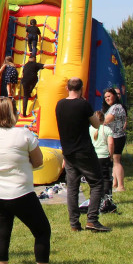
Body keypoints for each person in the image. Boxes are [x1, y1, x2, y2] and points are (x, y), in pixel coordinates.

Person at [0, 98, 67, 264]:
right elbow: (38, 162)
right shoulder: (24, 134)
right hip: (21, 192)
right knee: (42, 230)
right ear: (13, 114)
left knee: (1, 235)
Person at [55, 78, 110, 232]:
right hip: (84, 151)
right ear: (82, 88)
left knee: (72, 187)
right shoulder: (83, 104)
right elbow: (96, 124)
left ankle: (74, 224)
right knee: (97, 183)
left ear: (67, 88)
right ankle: (92, 220)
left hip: (68, 152)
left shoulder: (59, 104)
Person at [89, 111, 117, 213]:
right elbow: (111, 143)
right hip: (104, 156)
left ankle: (95, 199)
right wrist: (111, 154)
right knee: (106, 179)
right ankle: (107, 200)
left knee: (95, 179)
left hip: (94, 156)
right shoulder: (107, 129)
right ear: (103, 119)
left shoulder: (90, 129)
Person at [102, 88, 128, 191]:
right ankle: (115, 183)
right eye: (105, 97)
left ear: (114, 96)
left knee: (117, 161)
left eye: (109, 96)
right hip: (115, 136)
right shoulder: (113, 107)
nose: (107, 99)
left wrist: (96, 122)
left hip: (117, 137)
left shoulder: (116, 107)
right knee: (114, 161)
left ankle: (121, 186)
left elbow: (106, 120)